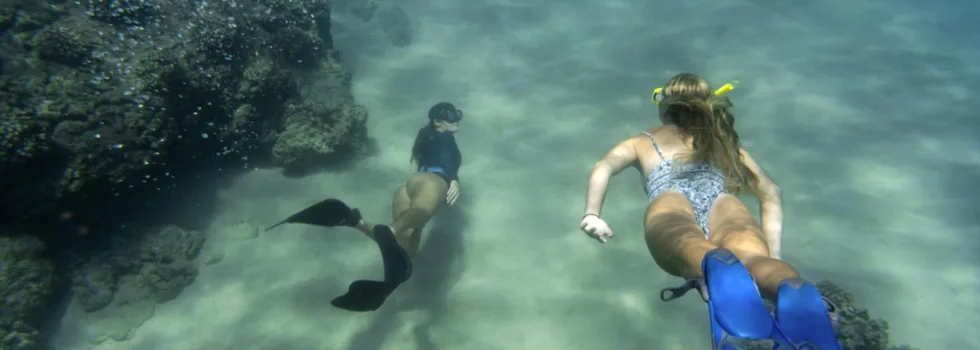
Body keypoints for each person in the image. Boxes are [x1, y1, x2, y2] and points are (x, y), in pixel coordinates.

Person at [579, 73, 841, 349]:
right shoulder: (722, 141)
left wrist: (592, 214)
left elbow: (604, 166)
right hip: (722, 201)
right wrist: (772, 257)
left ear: (664, 105)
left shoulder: (643, 139)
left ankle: (713, 271)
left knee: (688, 246)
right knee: (755, 260)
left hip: (670, 199)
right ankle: (792, 288)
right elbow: (771, 192)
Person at [266, 102, 464, 311]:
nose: (457, 119)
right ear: (438, 122)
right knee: (422, 213)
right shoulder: (445, 137)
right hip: (434, 180)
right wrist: (454, 179)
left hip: (410, 185)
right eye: (451, 116)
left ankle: (355, 221)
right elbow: (446, 158)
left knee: (406, 248)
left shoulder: (426, 137)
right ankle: (391, 229)